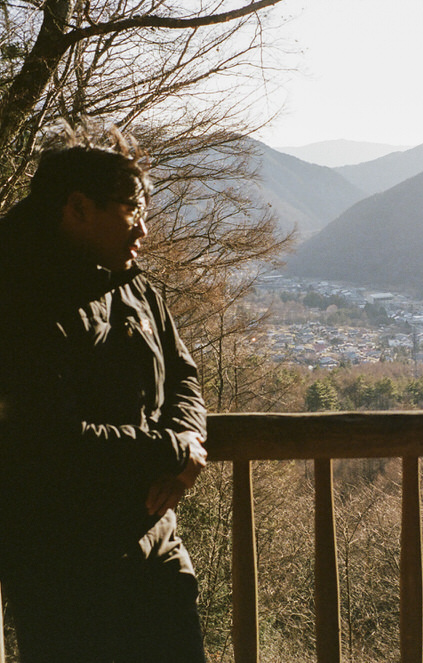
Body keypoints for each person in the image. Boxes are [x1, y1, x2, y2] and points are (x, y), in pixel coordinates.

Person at [0, 135, 209, 661]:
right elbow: (47, 437)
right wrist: (172, 453)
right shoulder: (21, 298)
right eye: (131, 210)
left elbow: (184, 372)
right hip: (64, 564)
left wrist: (187, 443)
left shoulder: (133, 285)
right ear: (77, 208)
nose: (143, 228)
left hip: (154, 544)